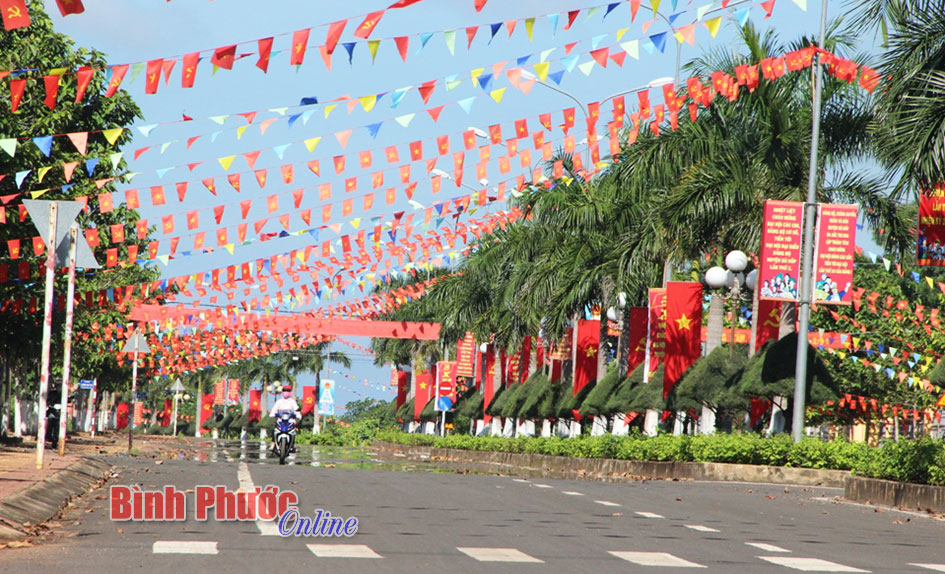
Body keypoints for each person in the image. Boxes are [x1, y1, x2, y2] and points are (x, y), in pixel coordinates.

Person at [269, 384, 301, 454]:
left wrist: (298, 415)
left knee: (293, 432)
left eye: (288, 391)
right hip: (281, 420)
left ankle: (292, 445)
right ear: (282, 392)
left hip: (290, 421)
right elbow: (274, 409)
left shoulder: (292, 402)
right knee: (274, 429)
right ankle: (273, 444)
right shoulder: (279, 401)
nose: (286, 392)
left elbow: (296, 410)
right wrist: (272, 414)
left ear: (290, 392)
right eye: (284, 391)